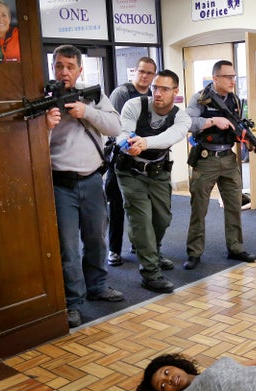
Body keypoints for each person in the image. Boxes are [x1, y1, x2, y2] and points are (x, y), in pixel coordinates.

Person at [45, 45, 124, 328]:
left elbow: (115, 127)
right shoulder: (44, 99)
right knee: (67, 247)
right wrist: (47, 126)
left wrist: (86, 111)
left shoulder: (93, 95)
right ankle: (73, 302)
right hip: (60, 183)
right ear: (53, 68)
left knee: (96, 239)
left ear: (79, 69)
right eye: (58, 66)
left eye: (69, 66)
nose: (64, 71)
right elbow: (28, 148)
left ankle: (98, 286)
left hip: (92, 179)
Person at [115, 70, 191, 294]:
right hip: (130, 171)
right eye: (155, 88)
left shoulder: (181, 116)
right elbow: (121, 132)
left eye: (164, 89)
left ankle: (151, 250)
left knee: (162, 218)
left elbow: (169, 137)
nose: (157, 93)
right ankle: (150, 272)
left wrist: (145, 142)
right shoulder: (134, 105)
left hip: (158, 172)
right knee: (142, 220)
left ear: (175, 92)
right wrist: (128, 143)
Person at [183, 60, 256, 271]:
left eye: (234, 76)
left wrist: (252, 144)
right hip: (206, 158)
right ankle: (194, 252)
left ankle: (235, 248)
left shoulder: (234, 99)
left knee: (234, 205)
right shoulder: (200, 98)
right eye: (228, 76)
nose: (232, 80)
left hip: (229, 158)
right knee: (199, 208)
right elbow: (187, 123)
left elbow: (239, 127)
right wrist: (213, 121)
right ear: (215, 78)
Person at [106, 57, 157, 267]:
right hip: (121, 159)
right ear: (135, 71)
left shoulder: (154, 96)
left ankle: (138, 244)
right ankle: (114, 250)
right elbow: (116, 127)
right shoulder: (122, 93)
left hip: (143, 160)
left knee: (141, 206)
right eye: (141, 71)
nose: (144, 76)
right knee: (117, 206)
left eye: (149, 73)